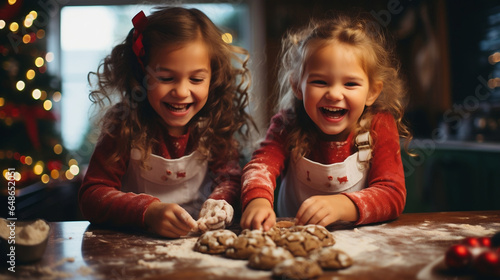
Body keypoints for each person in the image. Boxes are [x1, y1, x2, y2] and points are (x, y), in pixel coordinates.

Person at [79, 7, 253, 238]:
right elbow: (92, 196)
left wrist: (219, 204)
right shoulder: (123, 125)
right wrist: (148, 212)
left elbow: (230, 179)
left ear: (213, 78)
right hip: (134, 250)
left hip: (198, 248)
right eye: (166, 78)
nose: (181, 92)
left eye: (196, 79)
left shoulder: (214, 123)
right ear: (142, 74)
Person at [240, 13, 412, 231]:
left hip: (363, 245)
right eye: (320, 81)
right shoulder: (287, 123)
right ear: (297, 86)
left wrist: (343, 205)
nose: (334, 94)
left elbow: (392, 195)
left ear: (372, 92)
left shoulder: (380, 125)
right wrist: (258, 202)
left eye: (350, 84)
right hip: (293, 240)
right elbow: (260, 167)